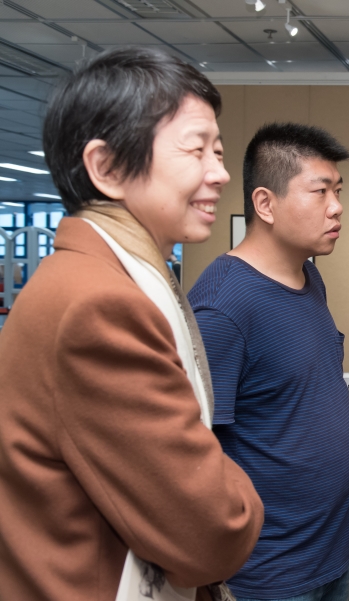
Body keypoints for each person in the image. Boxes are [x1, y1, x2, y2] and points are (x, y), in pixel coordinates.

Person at [0, 47, 264, 601]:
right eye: (196, 150)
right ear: (109, 167)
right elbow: (213, 531)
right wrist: (230, 481)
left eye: (219, 151)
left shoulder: (114, 276)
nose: (219, 173)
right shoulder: (98, 304)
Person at [188, 122, 349, 601]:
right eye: (320, 191)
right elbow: (196, 450)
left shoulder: (310, 277)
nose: (337, 206)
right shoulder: (223, 305)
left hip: (330, 550)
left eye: (338, 190)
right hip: (268, 570)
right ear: (265, 204)